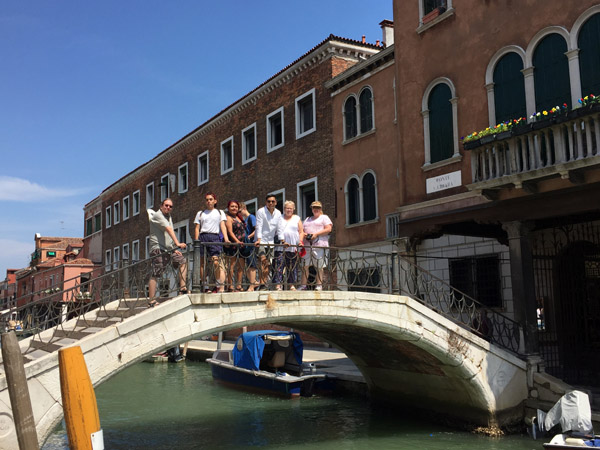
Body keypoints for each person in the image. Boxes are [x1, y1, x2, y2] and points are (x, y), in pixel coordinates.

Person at [147, 198, 188, 306]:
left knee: (182, 261)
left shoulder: (168, 216)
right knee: (156, 273)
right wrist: (178, 243)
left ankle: (182, 289)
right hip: (157, 249)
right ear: (161, 206)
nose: (168, 207)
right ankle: (151, 300)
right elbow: (169, 230)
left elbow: (167, 236)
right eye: (166, 205)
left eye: (170, 206)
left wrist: (174, 249)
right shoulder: (158, 215)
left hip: (168, 249)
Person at [193, 193, 229, 293]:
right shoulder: (200, 213)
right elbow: (197, 228)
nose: (209, 201)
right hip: (203, 237)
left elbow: (223, 226)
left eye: (211, 199)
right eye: (207, 200)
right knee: (202, 263)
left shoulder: (219, 212)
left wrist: (226, 238)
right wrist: (196, 241)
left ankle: (217, 284)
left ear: (215, 201)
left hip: (214, 237)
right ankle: (205, 286)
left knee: (216, 261)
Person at [300, 201, 332, 291]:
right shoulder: (307, 219)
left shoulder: (324, 217)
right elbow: (301, 230)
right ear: (312, 209)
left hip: (320, 245)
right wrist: (306, 235)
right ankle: (303, 285)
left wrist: (316, 234)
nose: (316, 209)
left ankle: (319, 285)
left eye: (317, 208)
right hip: (307, 245)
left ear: (320, 209)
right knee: (305, 266)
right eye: (314, 207)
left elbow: (328, 229)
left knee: (319, 266)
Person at [273, 201, 304, 290]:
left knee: (292, 266)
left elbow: (301, 231)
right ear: (284, 209)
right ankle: (278, 285)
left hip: (293, 246)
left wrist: (300, 241)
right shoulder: (280, 218)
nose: (289, 210)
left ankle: (292, 285)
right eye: (287, 208)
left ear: (293, 209)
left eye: (290, 208)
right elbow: (277, 231)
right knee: (279, 265)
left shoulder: (297, 218)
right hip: (280, 246)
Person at [254, 194, 282, 290]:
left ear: (276, 203)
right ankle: (261, 283)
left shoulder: (278, 213)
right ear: (266, 202)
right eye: (269, 201)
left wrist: (282, 240)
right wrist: (258, 239)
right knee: (263, 261)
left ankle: (264, 283)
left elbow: (279, 228)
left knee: (268, 264)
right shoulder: (261, 211)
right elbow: (259, 226)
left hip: (271, 242)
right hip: (261, 240)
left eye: (273, 201)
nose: (271, 203)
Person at [223, 200, 248, 292]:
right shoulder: (228, 218)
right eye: (232, 206)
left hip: (242, 244)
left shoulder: (239, 217)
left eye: (236, 207)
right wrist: (237, 241)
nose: (234, 208)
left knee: (241, 265)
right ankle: (230, 286)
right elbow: (230, 232)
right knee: (231, 265)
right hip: (233, 244)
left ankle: (239, 284)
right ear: (228, 208)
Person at [239, 202, 258, 291]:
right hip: (245, 245)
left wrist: (248, 237)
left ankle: (252, 285)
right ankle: (254, 282)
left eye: (240, 211)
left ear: (244, 208)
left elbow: (256, 230)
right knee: (246, 266)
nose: (239, 213)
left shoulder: (251, 217)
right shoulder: (244, 219)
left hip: (250, 244)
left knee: (251, 265)